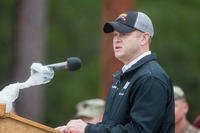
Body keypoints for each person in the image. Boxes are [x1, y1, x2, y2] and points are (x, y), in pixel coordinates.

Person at [56, 11, 174, 133]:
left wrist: (88, 129)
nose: (117, 39)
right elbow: (111, 125)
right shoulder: (125, 76)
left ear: (144, 38)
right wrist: (76, 129)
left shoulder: (151, 78)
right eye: (115, 34)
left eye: (124, 34)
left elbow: (140, 131)